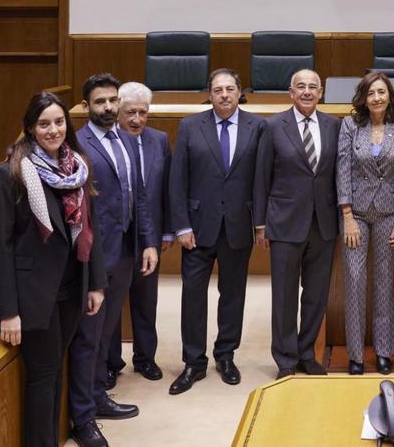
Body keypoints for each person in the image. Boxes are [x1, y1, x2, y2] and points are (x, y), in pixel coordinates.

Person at [0, 91, 105, 447]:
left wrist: (96, 283)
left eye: (58, 122)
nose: (53, 130)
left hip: (71, 287)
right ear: (29, 128)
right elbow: (0, 248)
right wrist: (8, 311)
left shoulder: (77, 168)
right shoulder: (9, 175)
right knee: (42, 376)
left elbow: (89, 228)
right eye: (44, 124)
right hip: (32, 296)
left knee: (55, 372)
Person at [68, 74, 159, 447]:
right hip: (93, 254)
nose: (107, 107)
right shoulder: (78, 142)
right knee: (88, 336)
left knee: (106, 333)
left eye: (112, 101)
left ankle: (97, 396)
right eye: (100, 102)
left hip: (124, 249)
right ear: (87, 106)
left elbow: (138, 196)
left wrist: (149, 241)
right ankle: (82, 416)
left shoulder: (125, 138)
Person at [167, 69, 265, 394]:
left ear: (240, 92)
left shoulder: (257, 126)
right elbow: (177, 179)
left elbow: (262, 180)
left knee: (233, 294)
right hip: (196, 228)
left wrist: (260, 223)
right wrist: (180, 224)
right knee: (193, 295)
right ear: (209, 94)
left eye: (230, 89)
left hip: (238, 225)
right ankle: (193, 362)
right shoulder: (190, 126)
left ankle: (225, 355)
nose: (224, 95)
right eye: (217, 90)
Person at [254, 69, 340, 379]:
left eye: (313, 87)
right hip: (285, 222)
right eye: (300, 87)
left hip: (324, 223)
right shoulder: (273, 126)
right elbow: (262, 177)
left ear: (321, 93)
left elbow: (337, 175)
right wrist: (260, 224)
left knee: (316, 294)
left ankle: (307, 353)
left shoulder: (334, 125)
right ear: (291, 92)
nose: (307, 91)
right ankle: (286, 359)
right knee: (285, 294)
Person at [336, 72, 394, 375]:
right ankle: (355, 355)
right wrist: (347, 215)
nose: (377, 98)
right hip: (356, 215)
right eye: (371, 93)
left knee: (384, 284)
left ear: (390, 96)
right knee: (354, 283)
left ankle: (383, 351)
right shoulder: (350, 126)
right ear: (363, 99)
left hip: (389, 214)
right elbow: (342, 170)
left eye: (382, 92)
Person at [104, 82, 171, 387]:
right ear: (118, 111)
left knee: (146, 299)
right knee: (113, 302)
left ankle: (145, 358)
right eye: (131, 112)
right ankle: (111, 360)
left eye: (143, 113)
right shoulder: (109, 142)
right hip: (117, 236)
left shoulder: (159, 140)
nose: (137, 119)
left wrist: (165, 231)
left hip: (149, 233)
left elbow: (167, 190)